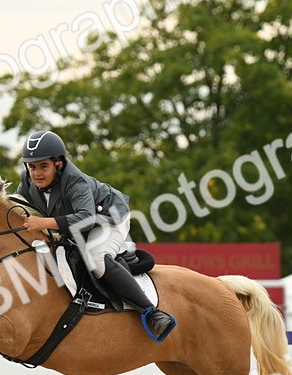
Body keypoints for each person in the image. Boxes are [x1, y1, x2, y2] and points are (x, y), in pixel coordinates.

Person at [17, 130, 176, 341]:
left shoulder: (75, 182)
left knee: (96, 259)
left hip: (108, 219)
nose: (36, 173)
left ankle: (151, 312)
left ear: (59, 164)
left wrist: (44, 223)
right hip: (75, 226)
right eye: (32, 167)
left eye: (43, 166)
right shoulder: (27, 181)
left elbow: (86, 218)